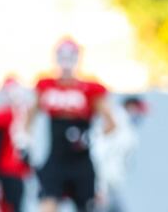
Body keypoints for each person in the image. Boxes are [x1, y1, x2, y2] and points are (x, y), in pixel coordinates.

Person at [22, 37, 116, 212]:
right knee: (46, 206)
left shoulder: (90, 89)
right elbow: (29, 117)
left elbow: (111, 123)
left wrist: (91, 137)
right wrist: (25, 142)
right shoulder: (45, 85)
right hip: (55, 159)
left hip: (81, 162)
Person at [92, 96, 148, 212]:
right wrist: (99, 188)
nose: (140, 115)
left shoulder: (126, 126)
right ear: (131, 107)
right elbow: (99, 154)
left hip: (112, 185)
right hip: (103, 186)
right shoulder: (114, 122)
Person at [0, 77, 32, 212]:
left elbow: (25, 148)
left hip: (14, 172)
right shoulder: (10, 116)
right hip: (8, 171)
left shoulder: (21, 116)